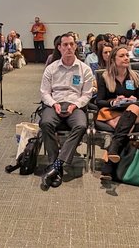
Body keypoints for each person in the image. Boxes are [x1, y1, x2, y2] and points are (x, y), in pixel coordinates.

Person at [38, 33, 94, 189]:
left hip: (74, 105)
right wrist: (53, 103)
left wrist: (75, 105)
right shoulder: (51, 68)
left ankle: (56, 166)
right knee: (46, 122)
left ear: (75, 46)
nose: (69, 47)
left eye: (71, 44)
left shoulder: (85, 69)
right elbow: (44, 92)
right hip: (54, 103)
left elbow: (87, 94)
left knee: (81, 126)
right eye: (65, 45)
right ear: (59, 48)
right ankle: (56, 166)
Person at [95, 46, 139, 179]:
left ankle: (112, 151)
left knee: (132, 108)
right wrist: (113, 102)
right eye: (122, 56)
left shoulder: (135, 76)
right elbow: (99, 101)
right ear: (113, 60)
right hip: (114, 112)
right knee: (123, 127)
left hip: (134, 112)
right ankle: (109, 165)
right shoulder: (105, 77)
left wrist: (134, 99)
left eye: (127, 55)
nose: (126, 58)